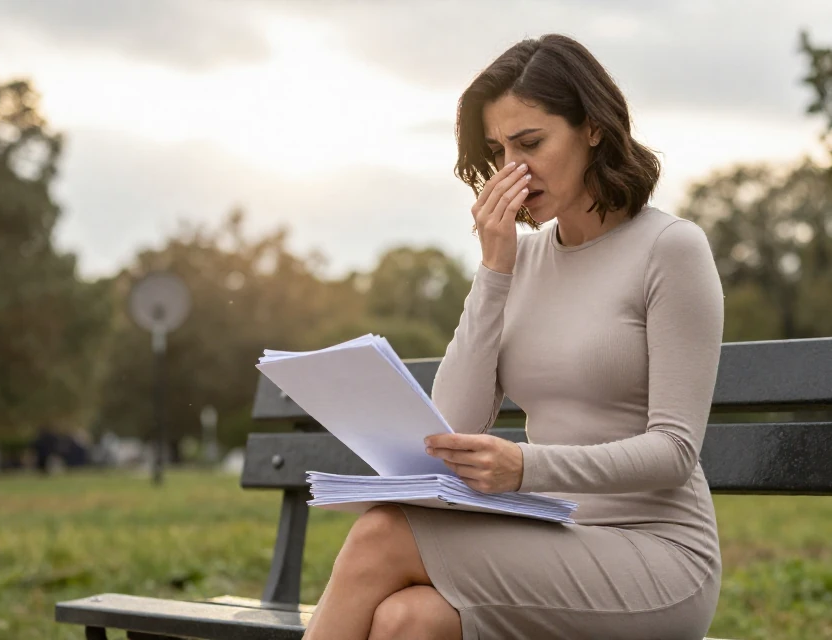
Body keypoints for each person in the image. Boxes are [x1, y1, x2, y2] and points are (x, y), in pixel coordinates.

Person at [303, 33, 725, 640]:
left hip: (656, 559)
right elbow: (451, 424)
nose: (513, 171)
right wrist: (495, 269)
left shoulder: (670, 249)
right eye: (499, 150)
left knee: (382, 534)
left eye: (530, 143)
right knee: (407, 620)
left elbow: (674, 453)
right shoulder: (520, 262)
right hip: (552, 538)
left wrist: (525, 467)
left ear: (594, 129)